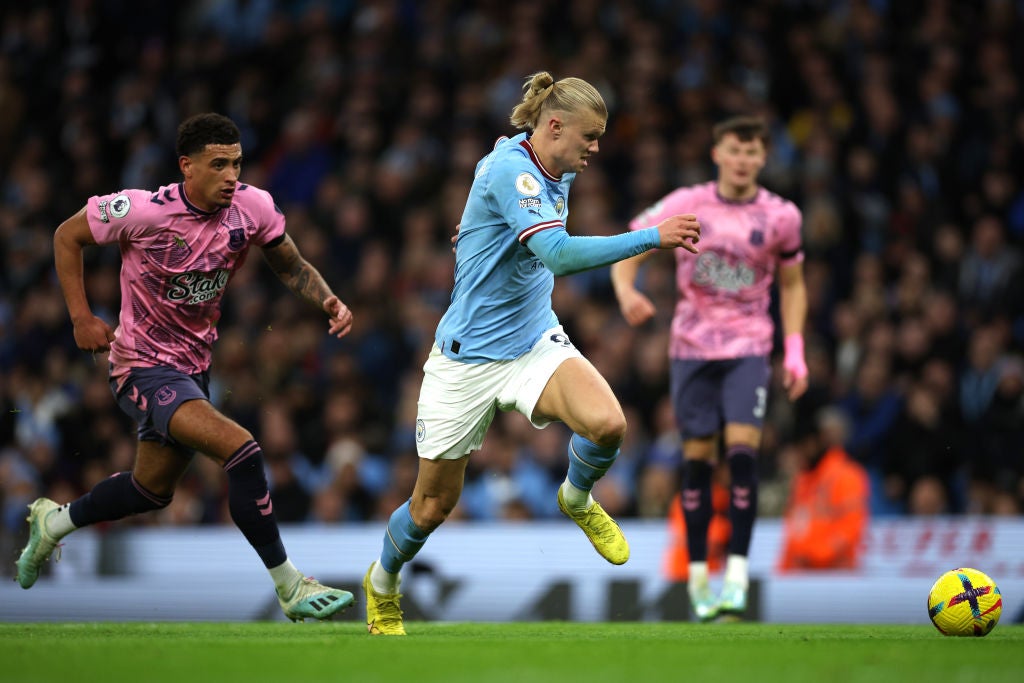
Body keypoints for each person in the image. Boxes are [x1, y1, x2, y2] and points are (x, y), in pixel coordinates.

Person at [361, 72, 702, 635]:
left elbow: (499, 210)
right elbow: (560, 256)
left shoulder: (548, 165)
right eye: (589, 137)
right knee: (430, 508)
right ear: (554, 125)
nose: (596, 149)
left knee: (609, 424)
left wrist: (476, 231)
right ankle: (382, 582)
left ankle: (576, 497)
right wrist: (651, 237)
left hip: (532, 340)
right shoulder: (511, 169)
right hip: (466, 360)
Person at [16, 112, 356, 622]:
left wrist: (327, 299)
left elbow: (288, 262)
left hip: (194, 369)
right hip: (140, 366)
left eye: (237, 163)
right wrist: (81, 317)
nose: (231, 176)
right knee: (241, 450)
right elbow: (67, 236)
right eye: (218, 164)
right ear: (187, 167)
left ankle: (55, 523)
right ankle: (290, 585)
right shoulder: (142, 211)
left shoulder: (253, 207)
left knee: (150, 490)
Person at [611, 115, 808, 621]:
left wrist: (795, 350)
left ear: (764, 158)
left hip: (748, 347)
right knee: (697, 460)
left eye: (752, 152)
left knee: (742, 455)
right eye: (734, 150)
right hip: (692, 349)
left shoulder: (782, 216)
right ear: (717, 153)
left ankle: (737, 577)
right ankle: (699, 576)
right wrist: (626, 290)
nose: (743, 160)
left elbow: (791, 285)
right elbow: (629, 246)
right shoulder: (686, 203)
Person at [778, 408, 869, 571]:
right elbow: (793, 531)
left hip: (835, 578)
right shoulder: (802, 481)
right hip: (801, 577)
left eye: (800, 448)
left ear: (813, 443)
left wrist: (814, 556)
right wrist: (784, 571)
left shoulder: (847, 475)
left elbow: (851, 528)